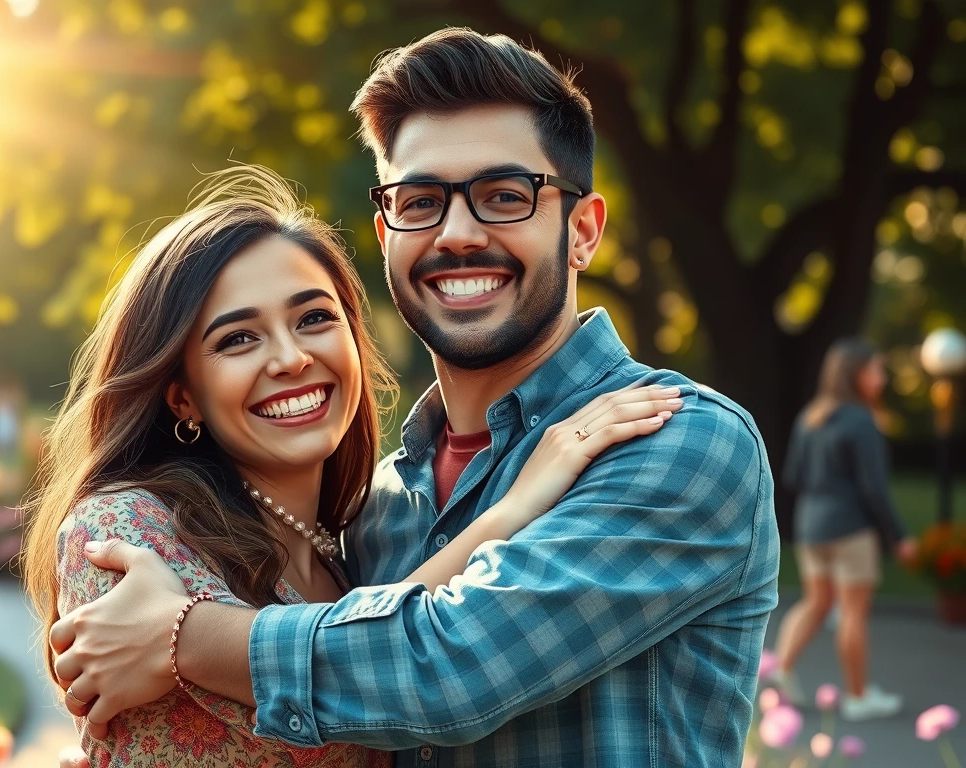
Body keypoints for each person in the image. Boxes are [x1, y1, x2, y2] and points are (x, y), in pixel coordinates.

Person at [50, 28, 779, 767]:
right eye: (422, 200)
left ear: (581, 231)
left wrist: (181, 636)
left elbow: (444, 669)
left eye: (504, 196)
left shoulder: (674, 443)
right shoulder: (373, 513)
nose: (458, 234)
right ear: (386, 231)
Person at [21, 165, 683, 767]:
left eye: (313, 318)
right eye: (239, 338)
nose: (289, 358)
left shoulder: (354, 545)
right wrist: (515, 506)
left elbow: (392, 640)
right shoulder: (126, 530)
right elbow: (401, 664)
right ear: (182, 393)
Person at [771, 338, 915, 720]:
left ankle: (780, 672)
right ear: (857, 375)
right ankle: (857, 697)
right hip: (850, 529)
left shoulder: (810, 417)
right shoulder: (861, 419)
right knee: (853, 612)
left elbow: (793, 475)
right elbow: (874, 488)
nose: (882, 378)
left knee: (815, 602)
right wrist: (898, 537)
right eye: (876, 370)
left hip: (811, 527)